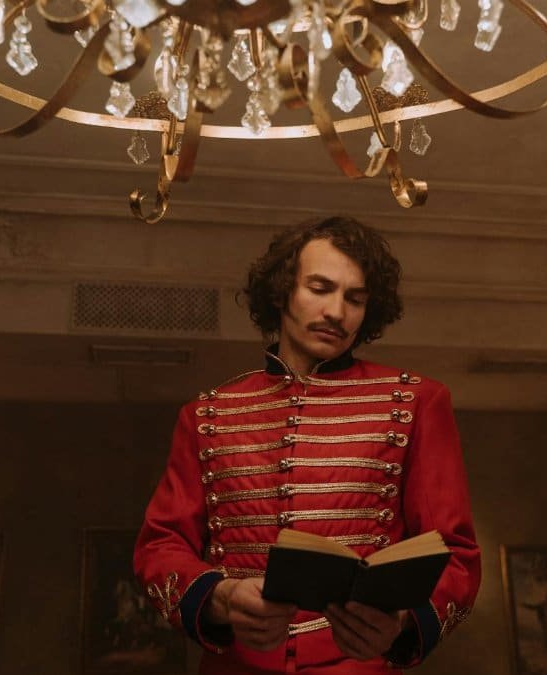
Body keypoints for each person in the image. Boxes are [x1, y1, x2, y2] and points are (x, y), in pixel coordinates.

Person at [135, 216, 481, 673]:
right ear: (281, 291)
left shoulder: (419, 402)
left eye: (354, 298)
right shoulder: (205, 415)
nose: (337, 312)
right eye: (320, 288)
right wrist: (220, 597)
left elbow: (456, 556)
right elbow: (160, 545)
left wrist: (401, 622)